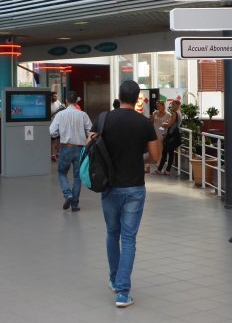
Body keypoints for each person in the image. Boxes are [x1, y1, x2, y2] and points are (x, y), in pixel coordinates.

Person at [95, 80, 161, 308]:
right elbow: (155, 157)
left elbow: (90, 144)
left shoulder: (104, 119)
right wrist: (139, 159)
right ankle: (123, 293)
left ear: (119, 95)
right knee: (129, 239)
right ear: (137, 98)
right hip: (134, 187)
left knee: (112, 233)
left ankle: (114, 280)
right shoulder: (144, 123)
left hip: (109, 186)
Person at [49, 97, 93, 211]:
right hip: (80, 149)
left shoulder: (60, 115)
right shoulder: (83, 115)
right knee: (77, 177)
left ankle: (68, 194)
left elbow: (52, 131)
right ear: (76, 101)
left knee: (62, 173)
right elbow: (91, 131)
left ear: (66, 101)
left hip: (66, 148)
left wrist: (60, 133)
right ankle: (74, 205)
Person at [156, 98, 181, 175]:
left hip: (170, 135)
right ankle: (167, 170)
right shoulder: (179, 113)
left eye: (173, 104)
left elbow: (170, 124)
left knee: (165, 152)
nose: (172, 106)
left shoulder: (174, 113)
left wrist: (164, 124)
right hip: (174, 135)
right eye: (172, 104)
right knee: (171, 152)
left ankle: (159, 169)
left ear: (178, 105)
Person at [50, 91, 63, 162]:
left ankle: (58, 153)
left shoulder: (57, 102)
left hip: (58, 123)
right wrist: (57, 111)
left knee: (58, 139)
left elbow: (61, 107)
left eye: (56, 96)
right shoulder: (48, 103)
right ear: (51, 97)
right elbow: (49, 115)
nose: (56, 97)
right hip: (51, 124)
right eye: (54, 96)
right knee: (52, 140)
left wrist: (63, 106)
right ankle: (52, 155)